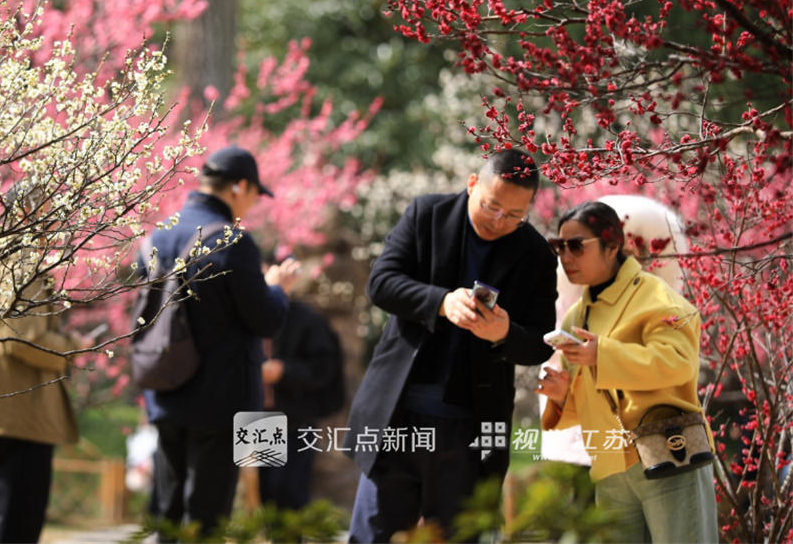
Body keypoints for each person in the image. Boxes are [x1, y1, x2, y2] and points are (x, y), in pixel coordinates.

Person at [346, 149, 558, 543]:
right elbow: (381, 283)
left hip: (474, 426)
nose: (499, 221)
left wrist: (505, 334)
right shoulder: (427, 214)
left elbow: (540, 341)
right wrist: (441, 302)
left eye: (515, 215)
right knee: (372, 536)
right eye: (492, 206)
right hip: (397, 413)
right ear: (472, 184)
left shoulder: (536, 255)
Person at [536, 200, 718, 543]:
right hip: (608, 465)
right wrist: (562, 399)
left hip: (668, 453)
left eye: (577, 246)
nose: (566, 256)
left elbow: (678, 362)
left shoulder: (657, 297)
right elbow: (592, 399)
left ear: (612, 247)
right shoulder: (577, 316)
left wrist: (603, 355)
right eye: (559, 246)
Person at [142, 145, 300, 537]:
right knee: (207, 517)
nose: (252, 203)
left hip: (165, 390)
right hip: (219, 400)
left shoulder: (160, 233)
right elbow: (265, 319)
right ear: (239, 187)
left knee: (167, 513)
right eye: (254, 194)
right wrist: (277, 289)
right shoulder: (233, 241)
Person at [0, 201, 89, 544]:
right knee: (17, 521)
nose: (56, 222)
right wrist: (74, 345)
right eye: (50, 212)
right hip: (20, 409)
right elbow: (24, 340)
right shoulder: (22, 263)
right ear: (28, 212)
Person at [259, 289, 344, 511]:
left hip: (295, 418)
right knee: (262, 491)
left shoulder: (306, 319)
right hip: (258, 417)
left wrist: (284, 371)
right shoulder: (249, 316)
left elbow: (325, 369)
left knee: (288, 489)